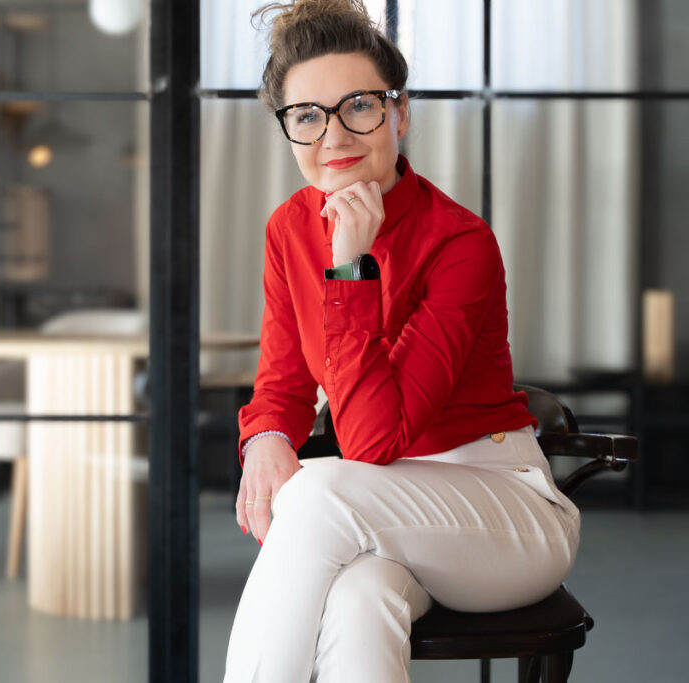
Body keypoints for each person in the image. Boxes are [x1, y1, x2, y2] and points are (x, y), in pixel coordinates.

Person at [223, 2, 581, 681]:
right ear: (289, 131)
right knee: (360, 600)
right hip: (382, 511)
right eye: (306, 116)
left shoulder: (460, 243)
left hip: (503, 510)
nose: (334, 136)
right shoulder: (287, 230)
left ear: (399, 113)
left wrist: (352, 267)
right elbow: (283, 381)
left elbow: (368, 440)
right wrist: (267, 434)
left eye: (358, 105)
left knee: (316, 490)